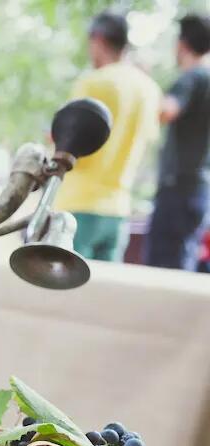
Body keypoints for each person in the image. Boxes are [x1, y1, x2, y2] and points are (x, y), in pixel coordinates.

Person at [55, 13, 160, 263]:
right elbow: (146, 142)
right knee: (103, 295)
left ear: (98, 39)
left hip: (78, 205)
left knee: (66, 295)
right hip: (118, 210)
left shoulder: (93, 82)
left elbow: (66, 146)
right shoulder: (149, 89)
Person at [145, 14, 210, 270]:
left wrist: (146, 85)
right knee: (185, 262)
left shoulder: (191, 78)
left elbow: (166, 111)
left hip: (177, 190)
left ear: (182, 44)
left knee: (163, 269)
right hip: (201, 190)